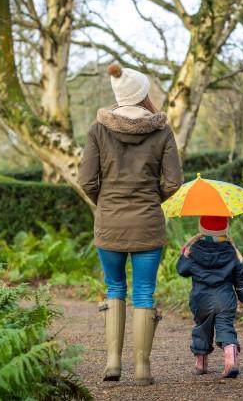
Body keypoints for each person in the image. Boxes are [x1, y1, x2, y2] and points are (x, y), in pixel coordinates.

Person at [78, 63, 182, 385]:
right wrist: (152, 201)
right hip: (148, 224)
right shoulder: (162, 131)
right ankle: (142, 368)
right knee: (144, 293)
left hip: (109, 223)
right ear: (142, 95)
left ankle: (112, 363)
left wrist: (106, 203)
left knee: (114, 288)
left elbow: (86, 181)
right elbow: (174, 182)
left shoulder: (98, 130)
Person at [176, 216, 243, 378]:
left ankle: (201, 363)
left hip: (200, 298)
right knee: (225, 327)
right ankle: (230, 358)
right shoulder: (231, 250)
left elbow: (182, 270)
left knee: (202, 327)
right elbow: (241, 276)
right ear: (226, 227)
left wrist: (184, 254)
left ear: (201, 226)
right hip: (225, 298)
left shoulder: (194, 249)